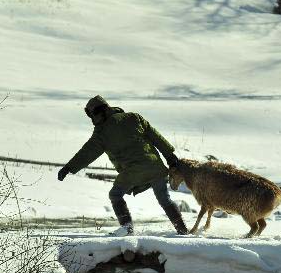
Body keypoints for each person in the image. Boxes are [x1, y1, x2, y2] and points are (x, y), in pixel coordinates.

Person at [57, 96, 188, 235]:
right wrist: (170, 156)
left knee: (115, 195)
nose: (92, 120)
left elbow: (87, 152)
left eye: (92, 115)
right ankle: (183, 230)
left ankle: (127, 230)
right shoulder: (134, 117)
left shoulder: (101, 132)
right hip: (155, 167)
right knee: (165, 199)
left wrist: (68, 168)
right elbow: (155, 136)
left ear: (98, 112)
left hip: (133, 171)